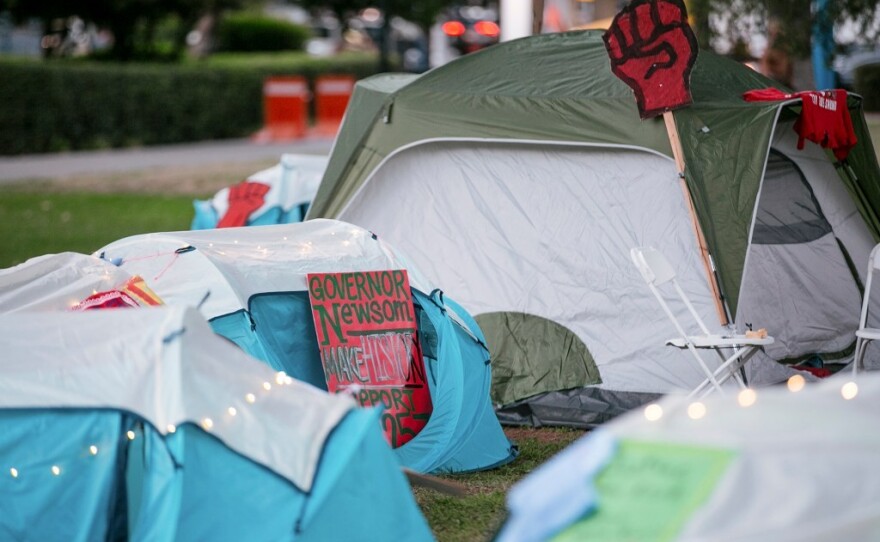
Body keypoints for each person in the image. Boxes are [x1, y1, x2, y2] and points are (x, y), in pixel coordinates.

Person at [760, 19, 794, 88]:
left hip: (784, 84)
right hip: (774, 83)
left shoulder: (785, 49)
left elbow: (787, 70)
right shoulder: (770, 51)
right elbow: (765, 68)